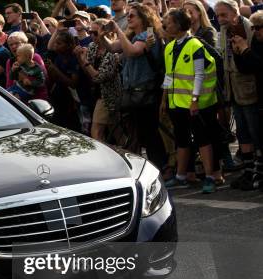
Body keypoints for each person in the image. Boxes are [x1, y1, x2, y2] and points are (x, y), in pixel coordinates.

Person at [161, 9, 220, 193]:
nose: (165, 25)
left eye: (169, 22)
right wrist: (164, 99)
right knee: (181, 139)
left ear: (179, 25)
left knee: (203, 138)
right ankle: (181, 175)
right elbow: (169, 75)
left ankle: (210, 176)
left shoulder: (195, 45)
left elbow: (199, 75)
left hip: (197, 103)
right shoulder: (169, 47)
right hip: (176, 102)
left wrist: (194, 100)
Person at [104, 4, 168, 170]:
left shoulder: (148, 35)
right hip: (134, 92)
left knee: (150, 133)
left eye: (132, 16)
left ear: (143, 18)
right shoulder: (133, 35)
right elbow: (112, 48)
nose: (129, 18)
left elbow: (133, 51)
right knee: (141, 133)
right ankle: (153, 166)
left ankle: (162, 167)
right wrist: (101, 35)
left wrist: (117, 29)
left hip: (145, 91)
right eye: (129, 15)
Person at [215, 0, 261, 189]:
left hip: (249, 87)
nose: (220, 19)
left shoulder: (251, 27)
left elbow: (254, 60)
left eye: (223, 15)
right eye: (217, 15)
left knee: (255, 131)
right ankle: (249, 171)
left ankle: (257, 172)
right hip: (232, 87)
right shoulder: (225, 30)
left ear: (234, 12)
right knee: (242, 131)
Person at [75, 18, 122, 141]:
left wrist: (84, 61)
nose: (92, 36)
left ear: (107, 34)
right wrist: (80, 58)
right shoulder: (92, 47)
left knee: (96, 131)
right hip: (95, 94)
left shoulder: (113, 52)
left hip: (108, 96)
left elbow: (99, 77)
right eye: (90, 32)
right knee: (116, 131)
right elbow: (88, 73)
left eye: (95, 33)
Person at [232, 10, 263, 189]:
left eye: (259, 28)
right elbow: (246, 68)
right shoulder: (257, 44)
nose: (256, 31)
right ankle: (254, 170)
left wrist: (246, 50)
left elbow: (260, 65)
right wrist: (238, 52)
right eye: (254, 28)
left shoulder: (256, 47)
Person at [6, 31, 48, 100]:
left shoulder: (34, 57)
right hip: (17, 98)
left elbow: (45, 79)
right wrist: (13, 71)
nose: (14, 46)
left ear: (25, 44)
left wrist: (28, 81)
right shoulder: (10, 62)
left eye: (17, 43)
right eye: (11, 45)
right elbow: (9, 84)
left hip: (36, 99)